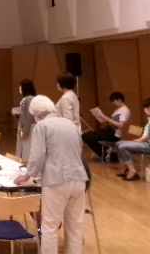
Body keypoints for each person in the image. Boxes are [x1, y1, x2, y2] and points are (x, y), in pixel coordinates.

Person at [15, 95, 87, 254]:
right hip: (79, 179)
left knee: (49, 226)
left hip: (56, 181)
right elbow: (79, 150)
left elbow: (38, 156)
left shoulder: (42, 126)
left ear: (36, 114)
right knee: (75, 227)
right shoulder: (71, 125)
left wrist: (27, 175)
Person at [82, 92, 130, 162]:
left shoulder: (125, 110)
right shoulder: (118, 110)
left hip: (114, 134)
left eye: (114, 101)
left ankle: (109, 156)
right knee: (86, 136)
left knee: (88, 137)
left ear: (119, 100)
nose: (113, 103)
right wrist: (103, 119)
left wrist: (107, 119)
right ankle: (106, 154)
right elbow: (113, 122)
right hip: (109, 130)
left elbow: (121, 125)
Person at [115, 98, 150, 181]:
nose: (145, 110)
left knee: (122, 147)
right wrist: (139, 139)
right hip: (146, 143)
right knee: (119, 143)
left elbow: (148, 136)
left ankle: (132, 171)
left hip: (148, 145)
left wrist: (139, 140)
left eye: (146, 108)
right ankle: (126, 168)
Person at [16, 79, 37, 162]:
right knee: (23, 147)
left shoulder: (29, 99)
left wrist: (26, 131)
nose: (19, 89)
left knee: (27, 148)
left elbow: (29, 116)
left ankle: (26, 164)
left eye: (21, 87)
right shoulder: (26, 99)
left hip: (28, 127)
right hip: (24, 126)